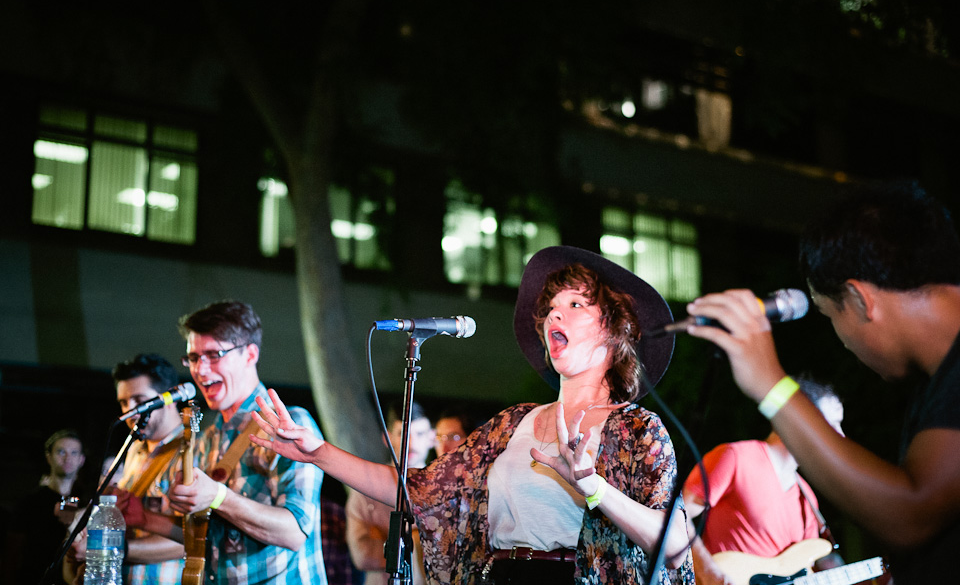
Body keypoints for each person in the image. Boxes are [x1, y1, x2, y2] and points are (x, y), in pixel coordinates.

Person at [252, 246, 695, 585]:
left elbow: (675, 544)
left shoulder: (638, 429)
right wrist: (318, 453)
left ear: (614, 331)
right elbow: (419, 492)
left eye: (576, 305)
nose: (555, 312)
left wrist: (594, 488)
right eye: (551, 308)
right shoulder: (511, 425)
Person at [682, 182, 960, 585]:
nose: (843, 342)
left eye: (831, 316)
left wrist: (769, 382)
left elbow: (911, 513)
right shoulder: (936, 384)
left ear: (860, 298)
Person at [136, 301, 328, 585]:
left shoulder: (289, 423)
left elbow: (295, 532)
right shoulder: (207, 434)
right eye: (193, 357)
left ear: (250, 354)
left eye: (214, 355)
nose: (200, 370)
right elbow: (207, 536)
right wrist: (142, 518)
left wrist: (216, 496)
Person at [682, 376, 845, 585]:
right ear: (798, 418)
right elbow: (677, 515)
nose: (840, 435)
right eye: (832, 424)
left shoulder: (807, 498)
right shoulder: (735, 457)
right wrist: (707, 570)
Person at [67, 353, 190, 585]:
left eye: (139, 400)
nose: (130, 411)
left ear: (171, 397)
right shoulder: (133, 449)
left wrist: (107, 549)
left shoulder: (192, 450)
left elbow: (195, 539)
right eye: (124, 402)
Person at [345, 400, 432, 585]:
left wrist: (387, 538)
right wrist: (418, 538)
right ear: (387, 438)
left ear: (432, 438)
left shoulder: (444, 489)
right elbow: (362, 555)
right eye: (402, 433)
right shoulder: (365, 488)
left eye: (420, 433)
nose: (411, 442)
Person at [4, 429, 91, 585]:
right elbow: (12, 552)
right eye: (61, 452)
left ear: (81, 459)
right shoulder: (30, 502)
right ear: (48, 457)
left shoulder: (87, 502)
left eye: (73, 453)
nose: (67, 458)